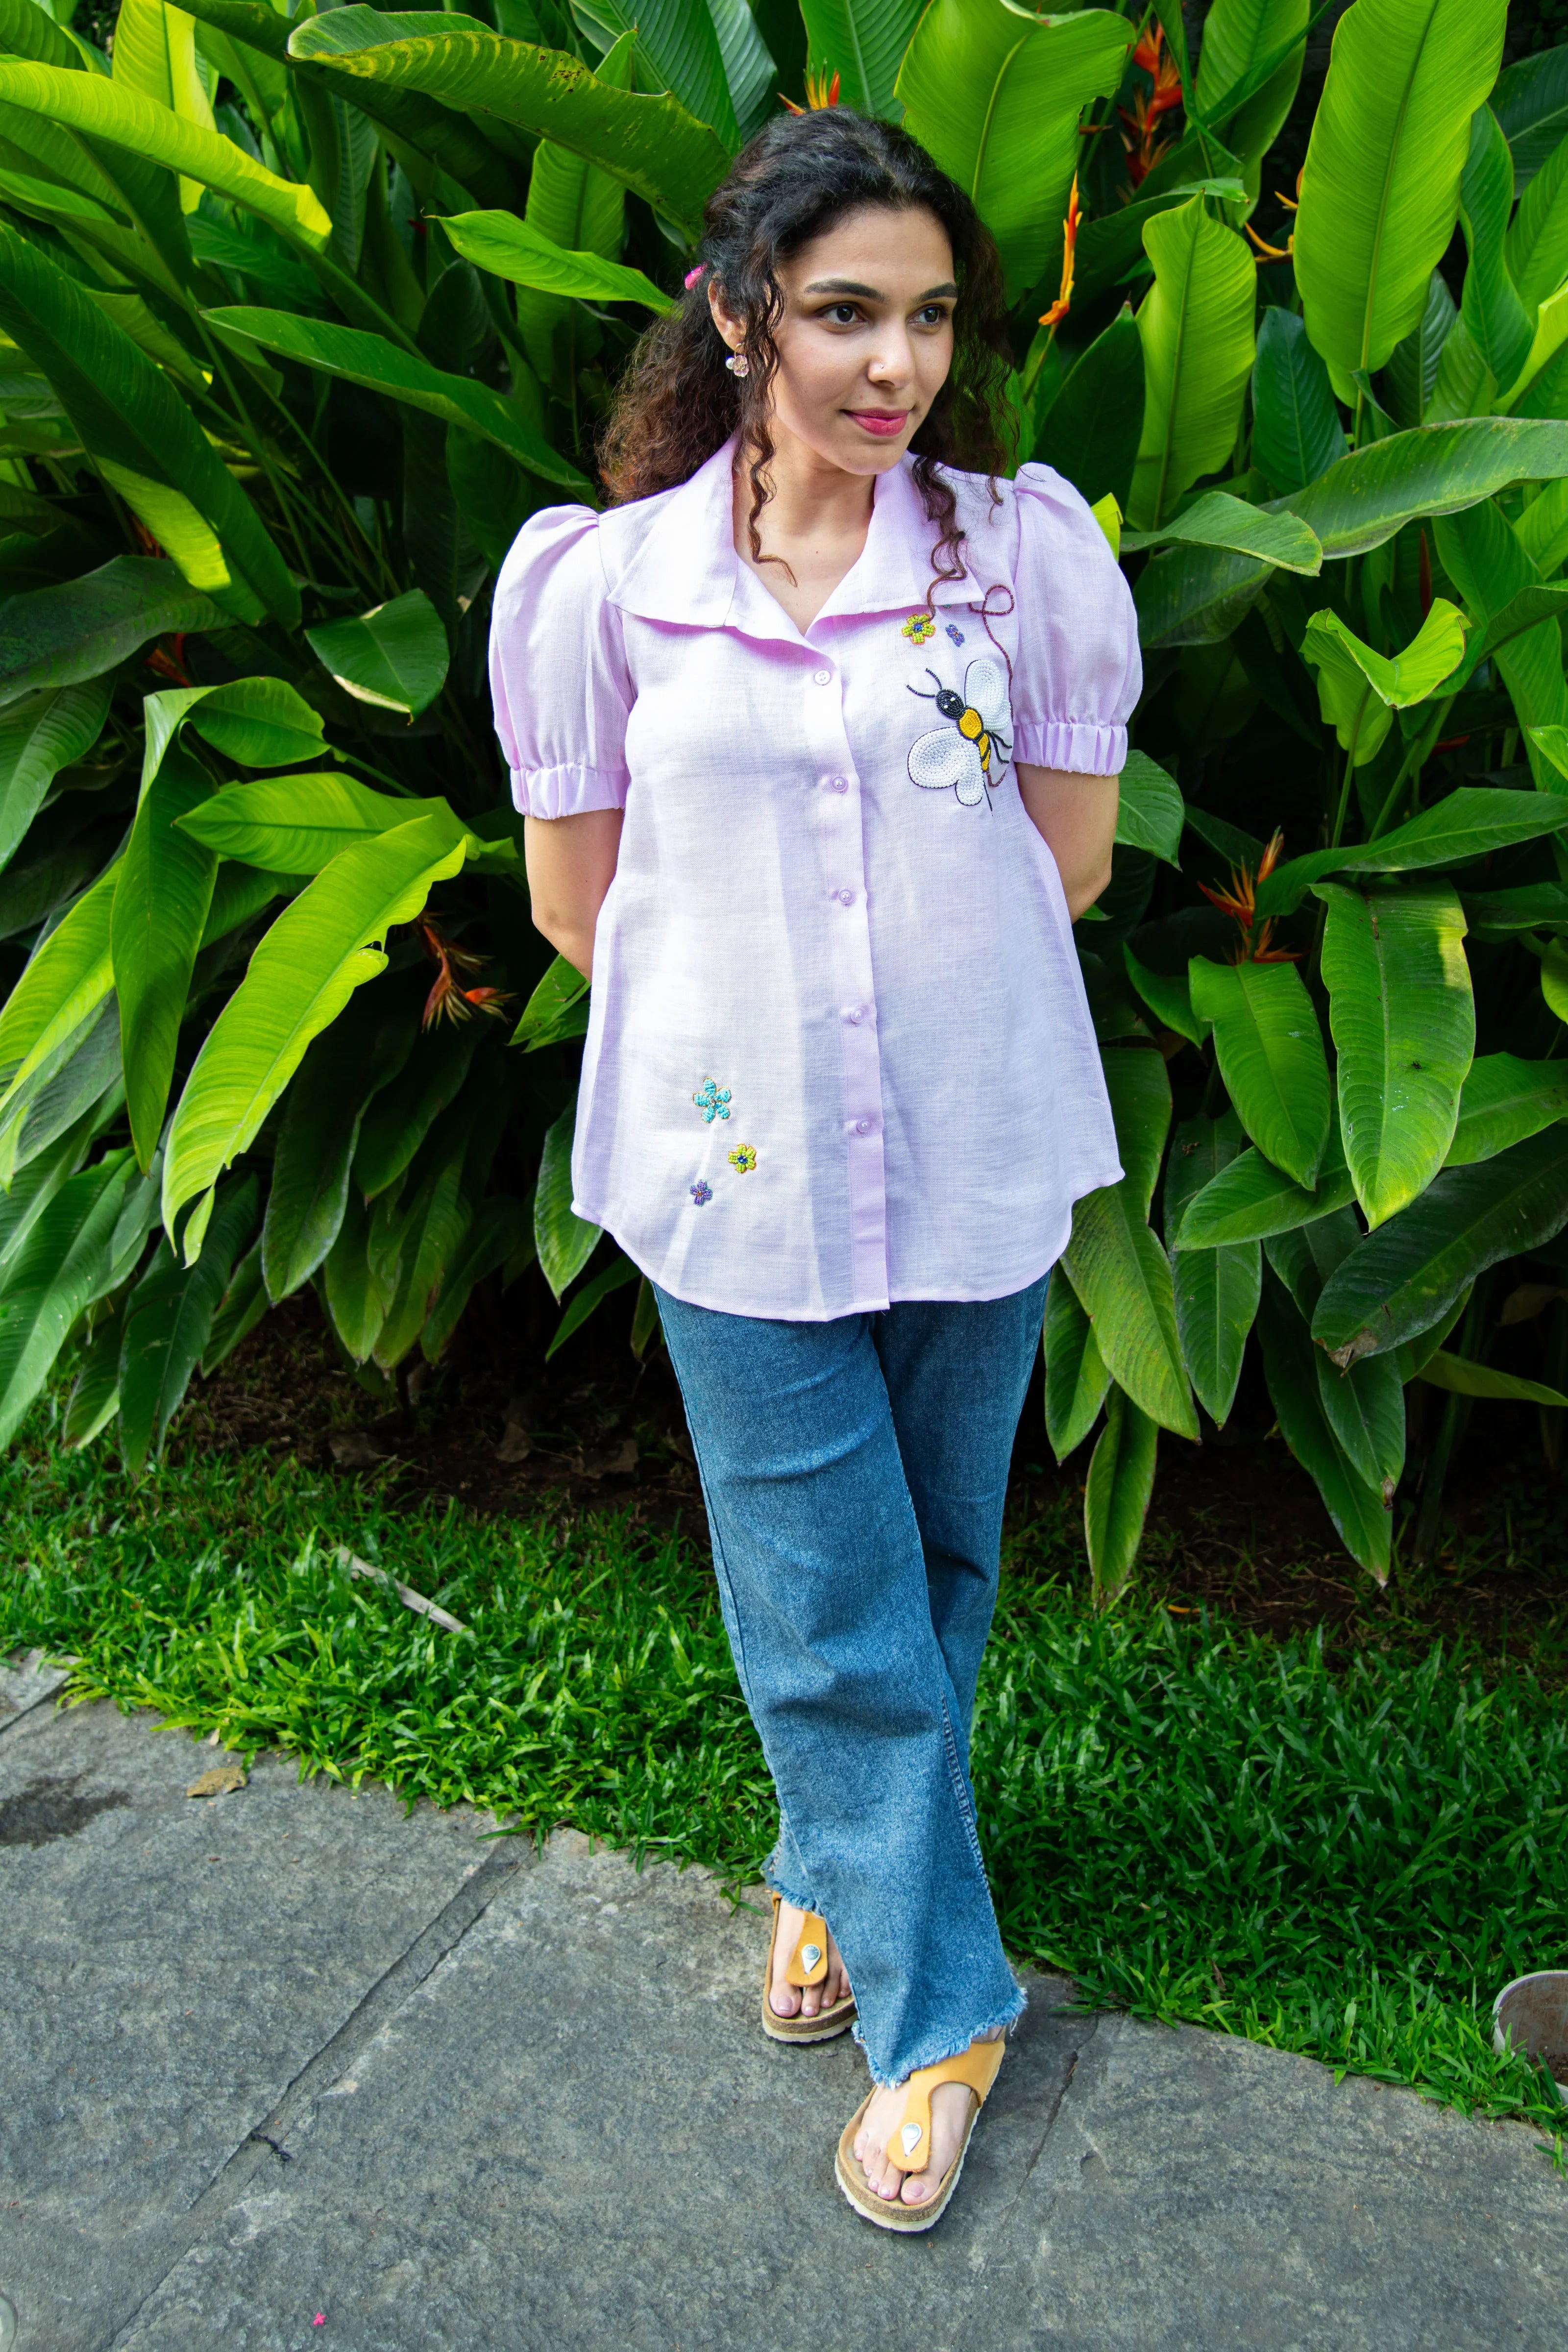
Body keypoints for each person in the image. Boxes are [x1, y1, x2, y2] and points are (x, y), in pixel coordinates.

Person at [488, 106, 1139, 2234]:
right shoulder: (606, 590)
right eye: (845, 314)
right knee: (819, 1598)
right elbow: (581, 904)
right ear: (739, 312)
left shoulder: (1015, 558)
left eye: (929, 318)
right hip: (729, 1170)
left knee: (934, 1560)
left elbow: (1063, 861)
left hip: (971, 1140)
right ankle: (942, 2006)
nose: (895, 366)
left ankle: (826, 1875)